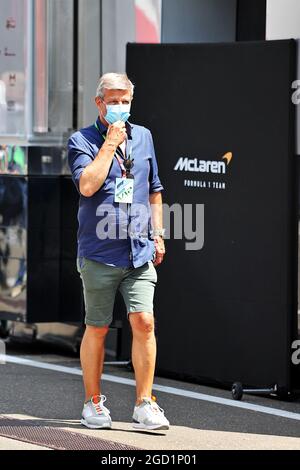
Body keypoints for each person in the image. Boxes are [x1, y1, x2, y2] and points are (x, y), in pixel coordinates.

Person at [68, 73, 169, 431]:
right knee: (97, 328)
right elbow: (87, 184)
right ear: (100, 103)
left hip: (138, 248)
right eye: (114, 101)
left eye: (125, 101)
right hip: (99, 252)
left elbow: (154, 188)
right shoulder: (81, 140)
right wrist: (110, 144)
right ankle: (92, 403)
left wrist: (158, 234)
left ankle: (145, 402)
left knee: (144, 322)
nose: (120, 107)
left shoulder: (144, 137)